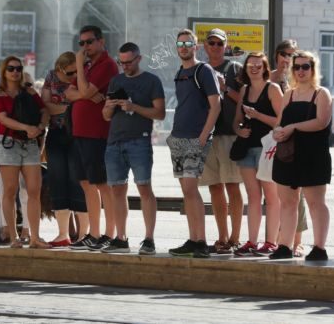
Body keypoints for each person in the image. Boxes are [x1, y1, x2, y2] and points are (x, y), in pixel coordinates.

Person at [102, 42, 165, 255]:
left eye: (128, 62)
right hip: (114, 142)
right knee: (117, 190)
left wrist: (134, 107)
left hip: (140, 140)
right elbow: (105, 116)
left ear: (139, 58)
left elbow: (160, 113)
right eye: (121, 62)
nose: (124, 66)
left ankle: (149, 239)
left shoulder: (151, 81)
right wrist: (109, 108)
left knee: (144, 188)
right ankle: (121, 238)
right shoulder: (116, 81)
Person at [269, 51, 333, 262]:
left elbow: (321, 122)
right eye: (297, 67)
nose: (301, 71)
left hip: (313, 156)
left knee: (316, 203)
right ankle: (285, 245)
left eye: (306, 67)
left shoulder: (321, 93)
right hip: (288, 155)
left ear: (313, 69)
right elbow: (280, 121)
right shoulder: (289, 94)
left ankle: (319, 247)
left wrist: (292, 127)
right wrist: (278, 131)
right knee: (287, 202)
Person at [167, 29, 221, 259]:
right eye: (180, 43)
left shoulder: (203, 70)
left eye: (188, 43)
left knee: (191, 189)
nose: (184, 46)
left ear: (196, 46)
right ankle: (193, 238)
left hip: (195, 138)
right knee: (186, 191)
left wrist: (203, 137)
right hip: (178, 137)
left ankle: (201, 242)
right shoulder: (180, 71)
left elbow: (215, 105)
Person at [0, 55, 49, 249]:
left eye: (18, 69)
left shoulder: (29, 91)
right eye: (11, 69)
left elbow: (44, 110)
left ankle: (35, 237)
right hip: (8, 144)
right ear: (4, 71)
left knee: (34, 190)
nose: (15, 72)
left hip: (30, 144)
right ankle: (13, 236)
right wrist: (26, 128)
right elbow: (2, 119)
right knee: (10, 190)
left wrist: (40, 126)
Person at [69, 25, 120, 249]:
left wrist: (79, 66)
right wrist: (85, 91)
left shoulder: (107, 64)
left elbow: (85, 91)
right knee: (86, 184)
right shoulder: (88, 67)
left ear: (101, 42)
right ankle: (94, 232)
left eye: (89, 42)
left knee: (102, 184)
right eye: (81, 43)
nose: (85, 47)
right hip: (80, 133)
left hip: (97, 134)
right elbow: (70, 93)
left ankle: (109, 233)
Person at [231, 52, 284, 257]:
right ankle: (252, 241)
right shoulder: (244, 90)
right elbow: (237, 119)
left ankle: (271, 242)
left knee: (271, 197)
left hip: (267, 148)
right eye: (250, 65)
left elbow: (281, 121)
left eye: (258, 65)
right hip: (247, 147)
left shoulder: (273, 89)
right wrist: (238, 130)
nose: (254, 68)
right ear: (245, 69)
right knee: (253, 197)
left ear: (265, 68)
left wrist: (257, 115)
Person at [199, 28, 244, 254]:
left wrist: (225, 88)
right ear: (205, 46)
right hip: (207, 135)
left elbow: (245, 100)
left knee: (233, 185)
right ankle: (222, 237)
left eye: (219, 43)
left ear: (225, 47)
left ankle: (235, 237)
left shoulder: (234, 68)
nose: (215, 47)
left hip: (229, 133)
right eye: (212, 43)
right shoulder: (200, 69)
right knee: (215, 188)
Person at [42, 52, 88, 247]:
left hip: (78, 134)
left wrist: (59, 106)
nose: (73, 77)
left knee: (79, 182)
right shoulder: (51, 76)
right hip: (56, 133)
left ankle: (85, 234)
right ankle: (63, 234)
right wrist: (71, 105)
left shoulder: (83, 76)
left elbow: (86, 101)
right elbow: (44, 106)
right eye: (69, 73)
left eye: (75, 72)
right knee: (57, 181)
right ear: (60, 69)